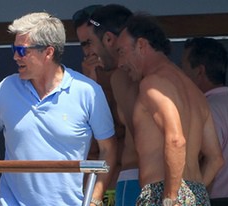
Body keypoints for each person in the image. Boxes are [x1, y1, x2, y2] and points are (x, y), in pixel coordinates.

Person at [0, 12, 117, 206]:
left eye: (22, 50)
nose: (16, 56)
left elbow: (108, 150)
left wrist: (94, 200)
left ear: (48, 52)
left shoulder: (88, 91)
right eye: (14, 48)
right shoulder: (7, 87)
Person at [116, 14, 224, 205]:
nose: (120, 63)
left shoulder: (152, 84)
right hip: (196, 193)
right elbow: (216, 158)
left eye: (122, 52)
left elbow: (175, 140)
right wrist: (192, 195)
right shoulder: (194, 90)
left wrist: (171, 197)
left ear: (141, 45)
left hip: (163, 193)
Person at [73, 4, 140, 206]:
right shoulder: (82, 82)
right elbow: (84, 142)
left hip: (133, 178)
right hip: (98, 185)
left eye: (92, 41)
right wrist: (89, 83)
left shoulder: (132, 74)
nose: (90, 50)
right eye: (84, 44)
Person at [181, 37, 228, 198]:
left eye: (184, 68)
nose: (181, 76)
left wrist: (187, 199)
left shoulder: (209, 111)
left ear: (199, 71)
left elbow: (208, 163)